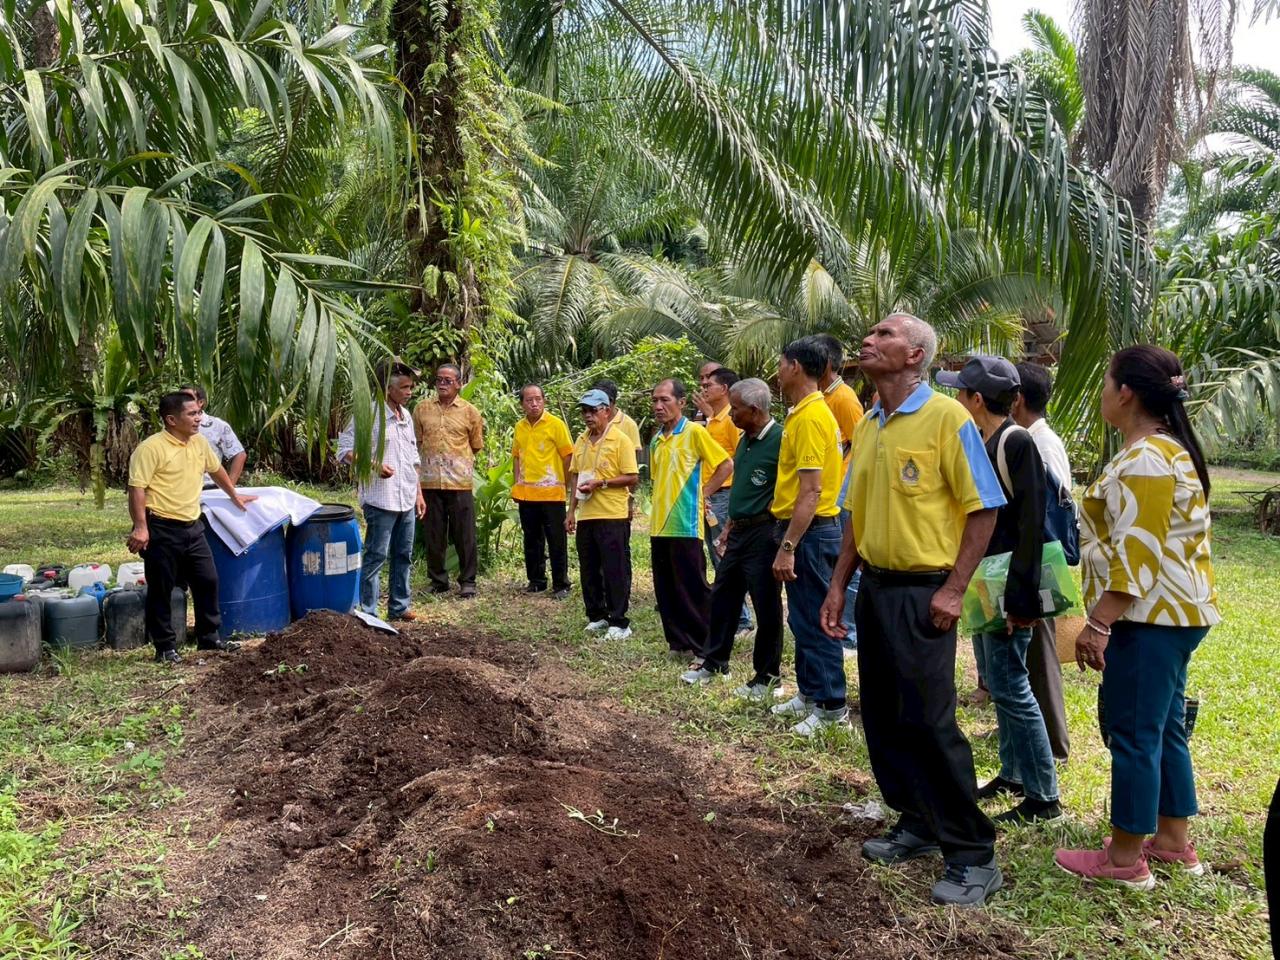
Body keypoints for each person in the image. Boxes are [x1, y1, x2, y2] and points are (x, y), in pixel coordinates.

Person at [820, 313, 1006, 907]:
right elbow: (854, 513)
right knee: (882, 712)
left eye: (884, 335)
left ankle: (973, 851)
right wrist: (836, 586)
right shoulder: (870, 423)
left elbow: (984, 509)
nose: (869, 340)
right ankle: (918, 821)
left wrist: (954, 589)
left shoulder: (947, 419)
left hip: (925, 592)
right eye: (869, 333)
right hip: (874, 589)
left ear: (915, 356)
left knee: (929, 720)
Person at [1055, 345, 1220, 889]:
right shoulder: (1166, 451)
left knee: (1132, 731)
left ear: (1125, 392)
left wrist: (1099, 623)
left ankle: (1125, 859)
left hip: (1148, 617)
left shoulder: (1147, 457)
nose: (1102, 391)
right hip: (1174, 614)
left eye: (1106, 382)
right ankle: (1172, 840)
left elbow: (1139, 552)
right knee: (1163, 727)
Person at [939, 356, 1061, 824]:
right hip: (983, 579)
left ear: (975, 399)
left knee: (1012, 684)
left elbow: (1033, 525)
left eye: (960, 391)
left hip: (1009, 583)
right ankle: (1013, 773)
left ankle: (1044, 795)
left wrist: (1022, 598)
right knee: (996, 677)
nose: (954, 398)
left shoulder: (1016, 443)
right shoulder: (980, 440)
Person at [127, 391, 256, 664]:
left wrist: (234, 494)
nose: (199, 419)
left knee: (208, 580)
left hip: (192, 525)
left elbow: (217, 470)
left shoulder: (199, 443)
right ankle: (164, 647)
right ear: (172, 420)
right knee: (162, 589)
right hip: (161, 527)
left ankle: (209, 638)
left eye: (199, 413)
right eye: (192, 414)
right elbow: (136, 489)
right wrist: (141, 527)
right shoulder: (151, 449)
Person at [682, 378, 785, 696]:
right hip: (738, 530)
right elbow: (741, 484)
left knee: (766, 604)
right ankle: (715, 662)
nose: (730, 416)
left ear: (754, 410)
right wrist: (728, 526)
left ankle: (767, 677)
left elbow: (789, 485)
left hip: (764, 532)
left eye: (736, 410)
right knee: (723, 595)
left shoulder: (781, 439)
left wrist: (770, 518)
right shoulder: (746, 439)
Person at [769, 337, 849, 736]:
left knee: (819, 618)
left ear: (796, 366)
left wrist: (788, 546)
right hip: (804, 531)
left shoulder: (812, 417)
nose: (777, 371)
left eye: (781, 363)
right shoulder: (802, 413)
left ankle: (832, 706)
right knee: (801, 617)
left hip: (811, 533)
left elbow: (812, 491)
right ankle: (810, 692)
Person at [1010, 361, 1073, 761]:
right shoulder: (1033, 437)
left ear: (1016, 399)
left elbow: (1045, 508)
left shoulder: (1038, 442)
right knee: (1031, 649)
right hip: (1039, 557)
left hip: (1043, 558)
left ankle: (1053, 745)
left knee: (1042, 652)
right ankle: (1030, 732)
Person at [649, 378, 732, 662]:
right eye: (655, 401)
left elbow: (725, 464)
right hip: (658, 525)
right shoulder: (656, 439)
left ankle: (704, 646)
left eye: (665, 400)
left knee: (692, 587)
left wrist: (704, 492)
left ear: (681, 403)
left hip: (686, 523)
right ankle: (678, 642)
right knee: (666, 587)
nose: (659, 406)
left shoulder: (695, 432)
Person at [337, 363, 426, 623]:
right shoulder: (368, 415)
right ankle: (369, 611)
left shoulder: (406, 416)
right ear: (388, 390)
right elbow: (343, 450)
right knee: (376, 555)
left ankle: (399, 606)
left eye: (411, 387)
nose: (410, 392)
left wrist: (419, 494)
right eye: (405, 387)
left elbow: (413, 458)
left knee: (403, 554)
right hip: (381, 497)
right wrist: (374, 466)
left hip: (406, 496)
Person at [566, 389, 639, 641]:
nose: (588, 416)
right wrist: (571, 510)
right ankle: (597, 616)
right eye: (584, 411)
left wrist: (602, 483)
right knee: (589, 568)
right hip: (587, 513)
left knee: (614, 568)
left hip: (612, 513)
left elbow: (632, 477)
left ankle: (619, 621)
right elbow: (575, 474)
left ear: (606, 410)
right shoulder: (581, 440)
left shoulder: (620, 440)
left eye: (593, 410)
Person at [414, 363, 484, 598]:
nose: (442, 384)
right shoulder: (422, 409)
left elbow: (476, 446)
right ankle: (438, 580)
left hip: (459, 483)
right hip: (430, 482)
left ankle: (468, 581)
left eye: (448, 380)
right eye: (439, 380)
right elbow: (417, 443)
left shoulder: (470, 412)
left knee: (464, 534)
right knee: (434, 533)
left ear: (459, 384)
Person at [814, 333, 865, 657]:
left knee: (849, 565)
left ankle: (850, 634)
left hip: (844, 492)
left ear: (827, 365)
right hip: (829, 491)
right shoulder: (819, 398)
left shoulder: (844, 398)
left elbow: (860, 442)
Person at [693, 367, 753, 635]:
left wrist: (712, 494)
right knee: (716, 556)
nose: (704, 387)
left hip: (722, 496)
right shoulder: (713, 419)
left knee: (724, 556)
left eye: (710, 385)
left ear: (725, 389)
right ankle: (731, 615)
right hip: (710, 496)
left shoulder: (732, 419)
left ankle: (741, 619)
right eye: (703, 384)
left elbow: (738, 462)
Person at [512, 384, 574, 598]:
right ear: (522, 404)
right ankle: (537, 581)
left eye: (538, 399)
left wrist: (564, 484)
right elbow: (517, 457)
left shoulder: (555, 425)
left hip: (552, 494)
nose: (534, 403)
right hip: (527, 494)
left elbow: (568, 457)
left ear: (544, 401)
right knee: (532, 539)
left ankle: (561, 584)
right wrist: (516, 484)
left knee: (556, 540)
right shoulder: (519, 427)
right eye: (529, 400)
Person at [178, 384, 246, 485]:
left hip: (208, 488)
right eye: (179, 398)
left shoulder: (217, 425)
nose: (182, 401)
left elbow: (239, 454)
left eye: (188, 398)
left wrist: (230, 486)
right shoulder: (173, 424)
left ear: (201, 402)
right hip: (179, 489)